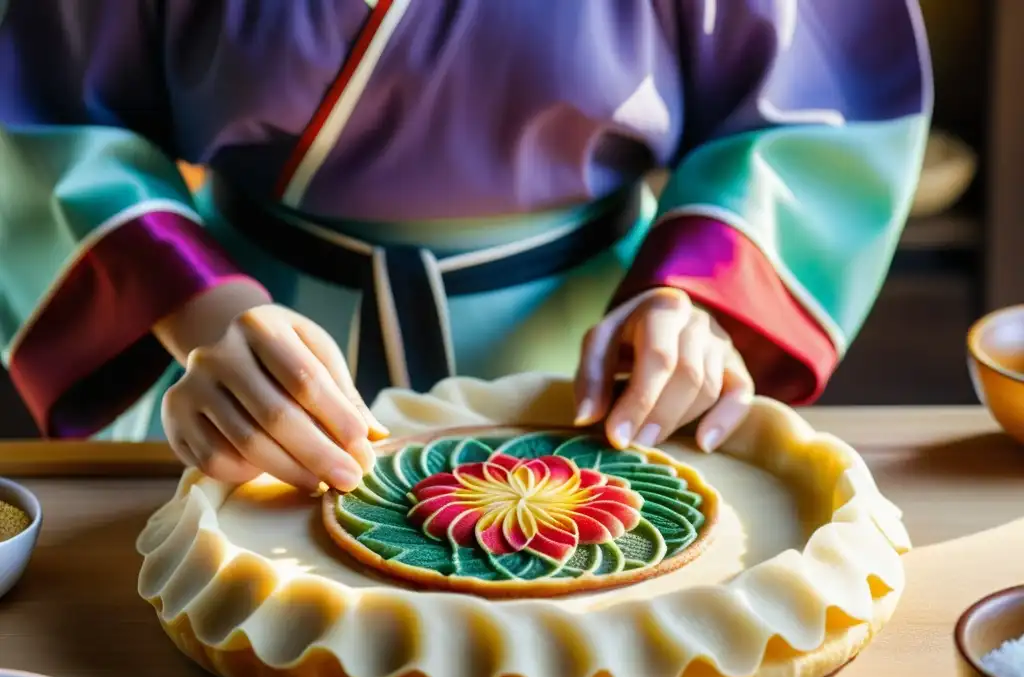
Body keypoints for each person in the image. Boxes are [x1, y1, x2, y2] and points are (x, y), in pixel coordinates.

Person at [0, 0, 931, 491]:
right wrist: (202, 316)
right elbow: (40, 112)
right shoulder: (227, 346)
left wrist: (693, 300)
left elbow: (815, 107)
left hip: (597, 367)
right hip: (255, 372)